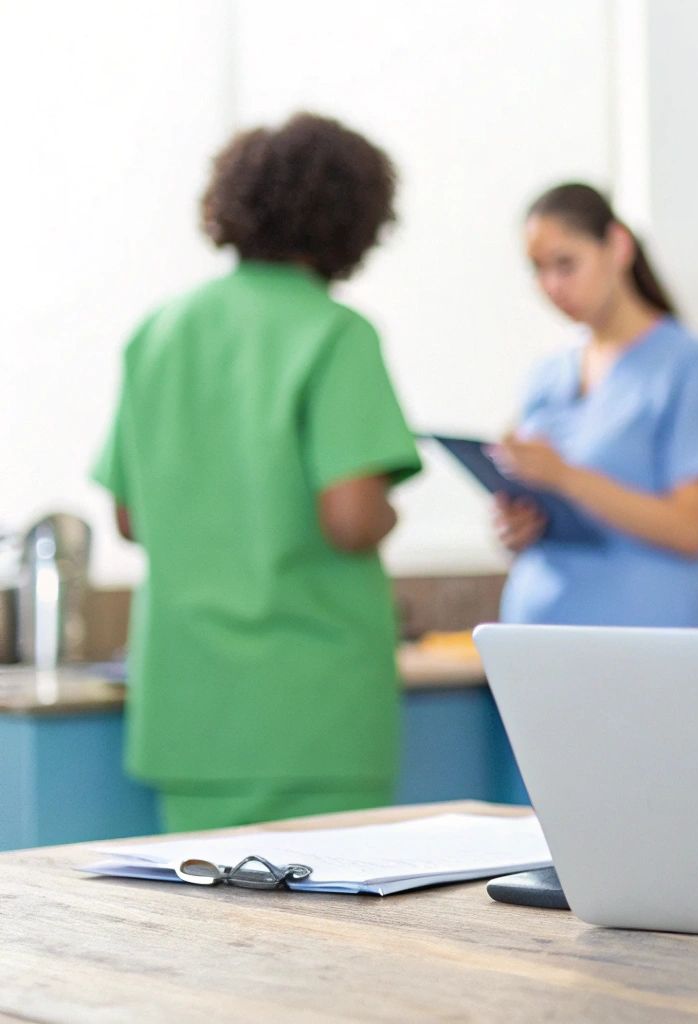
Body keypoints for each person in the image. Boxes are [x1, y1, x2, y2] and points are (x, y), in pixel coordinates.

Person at [92, 113, 421, 831]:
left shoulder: (160, 331)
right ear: (357, 220)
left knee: (203, 902)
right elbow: (351, 517)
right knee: (327, 901)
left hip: (187, 708)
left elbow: (130, 517)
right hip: (311, 708)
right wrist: (390, 510)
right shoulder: (336, 333)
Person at [490, 184, 698, 627]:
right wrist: (516, 528)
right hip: (537, 632)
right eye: (538, 269)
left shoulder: (690, 366)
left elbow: (691, 529)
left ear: (619, 246)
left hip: (644, 642)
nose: (551, 286)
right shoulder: (546, 377)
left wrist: (565, 477)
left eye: (566, 264)